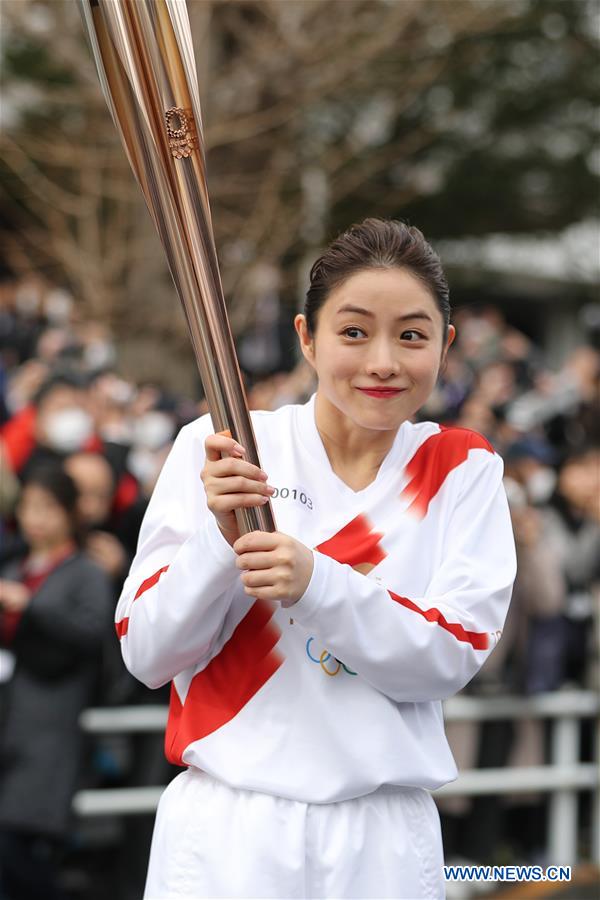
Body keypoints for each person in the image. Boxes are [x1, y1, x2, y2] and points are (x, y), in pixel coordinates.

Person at [116, 218, 517, 899]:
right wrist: (220, 540)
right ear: (307, 337)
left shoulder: (459, 468)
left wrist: (315, 583)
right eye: (354, 332)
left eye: (411, 335)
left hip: (381, 838)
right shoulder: (222, 450)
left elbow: (449, 657)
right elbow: (148, 654)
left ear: (445, 346)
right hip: (229, 833)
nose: (383, 361)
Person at [0, 463, 111, 900]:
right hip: (11, 723)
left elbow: (91, 638)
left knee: (18, 848)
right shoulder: (14, 563)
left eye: (46, 507)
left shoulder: (84, 572)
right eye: (28, 507)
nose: (35, 518)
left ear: (69, 513)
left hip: (50, 727)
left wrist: (30, 608)